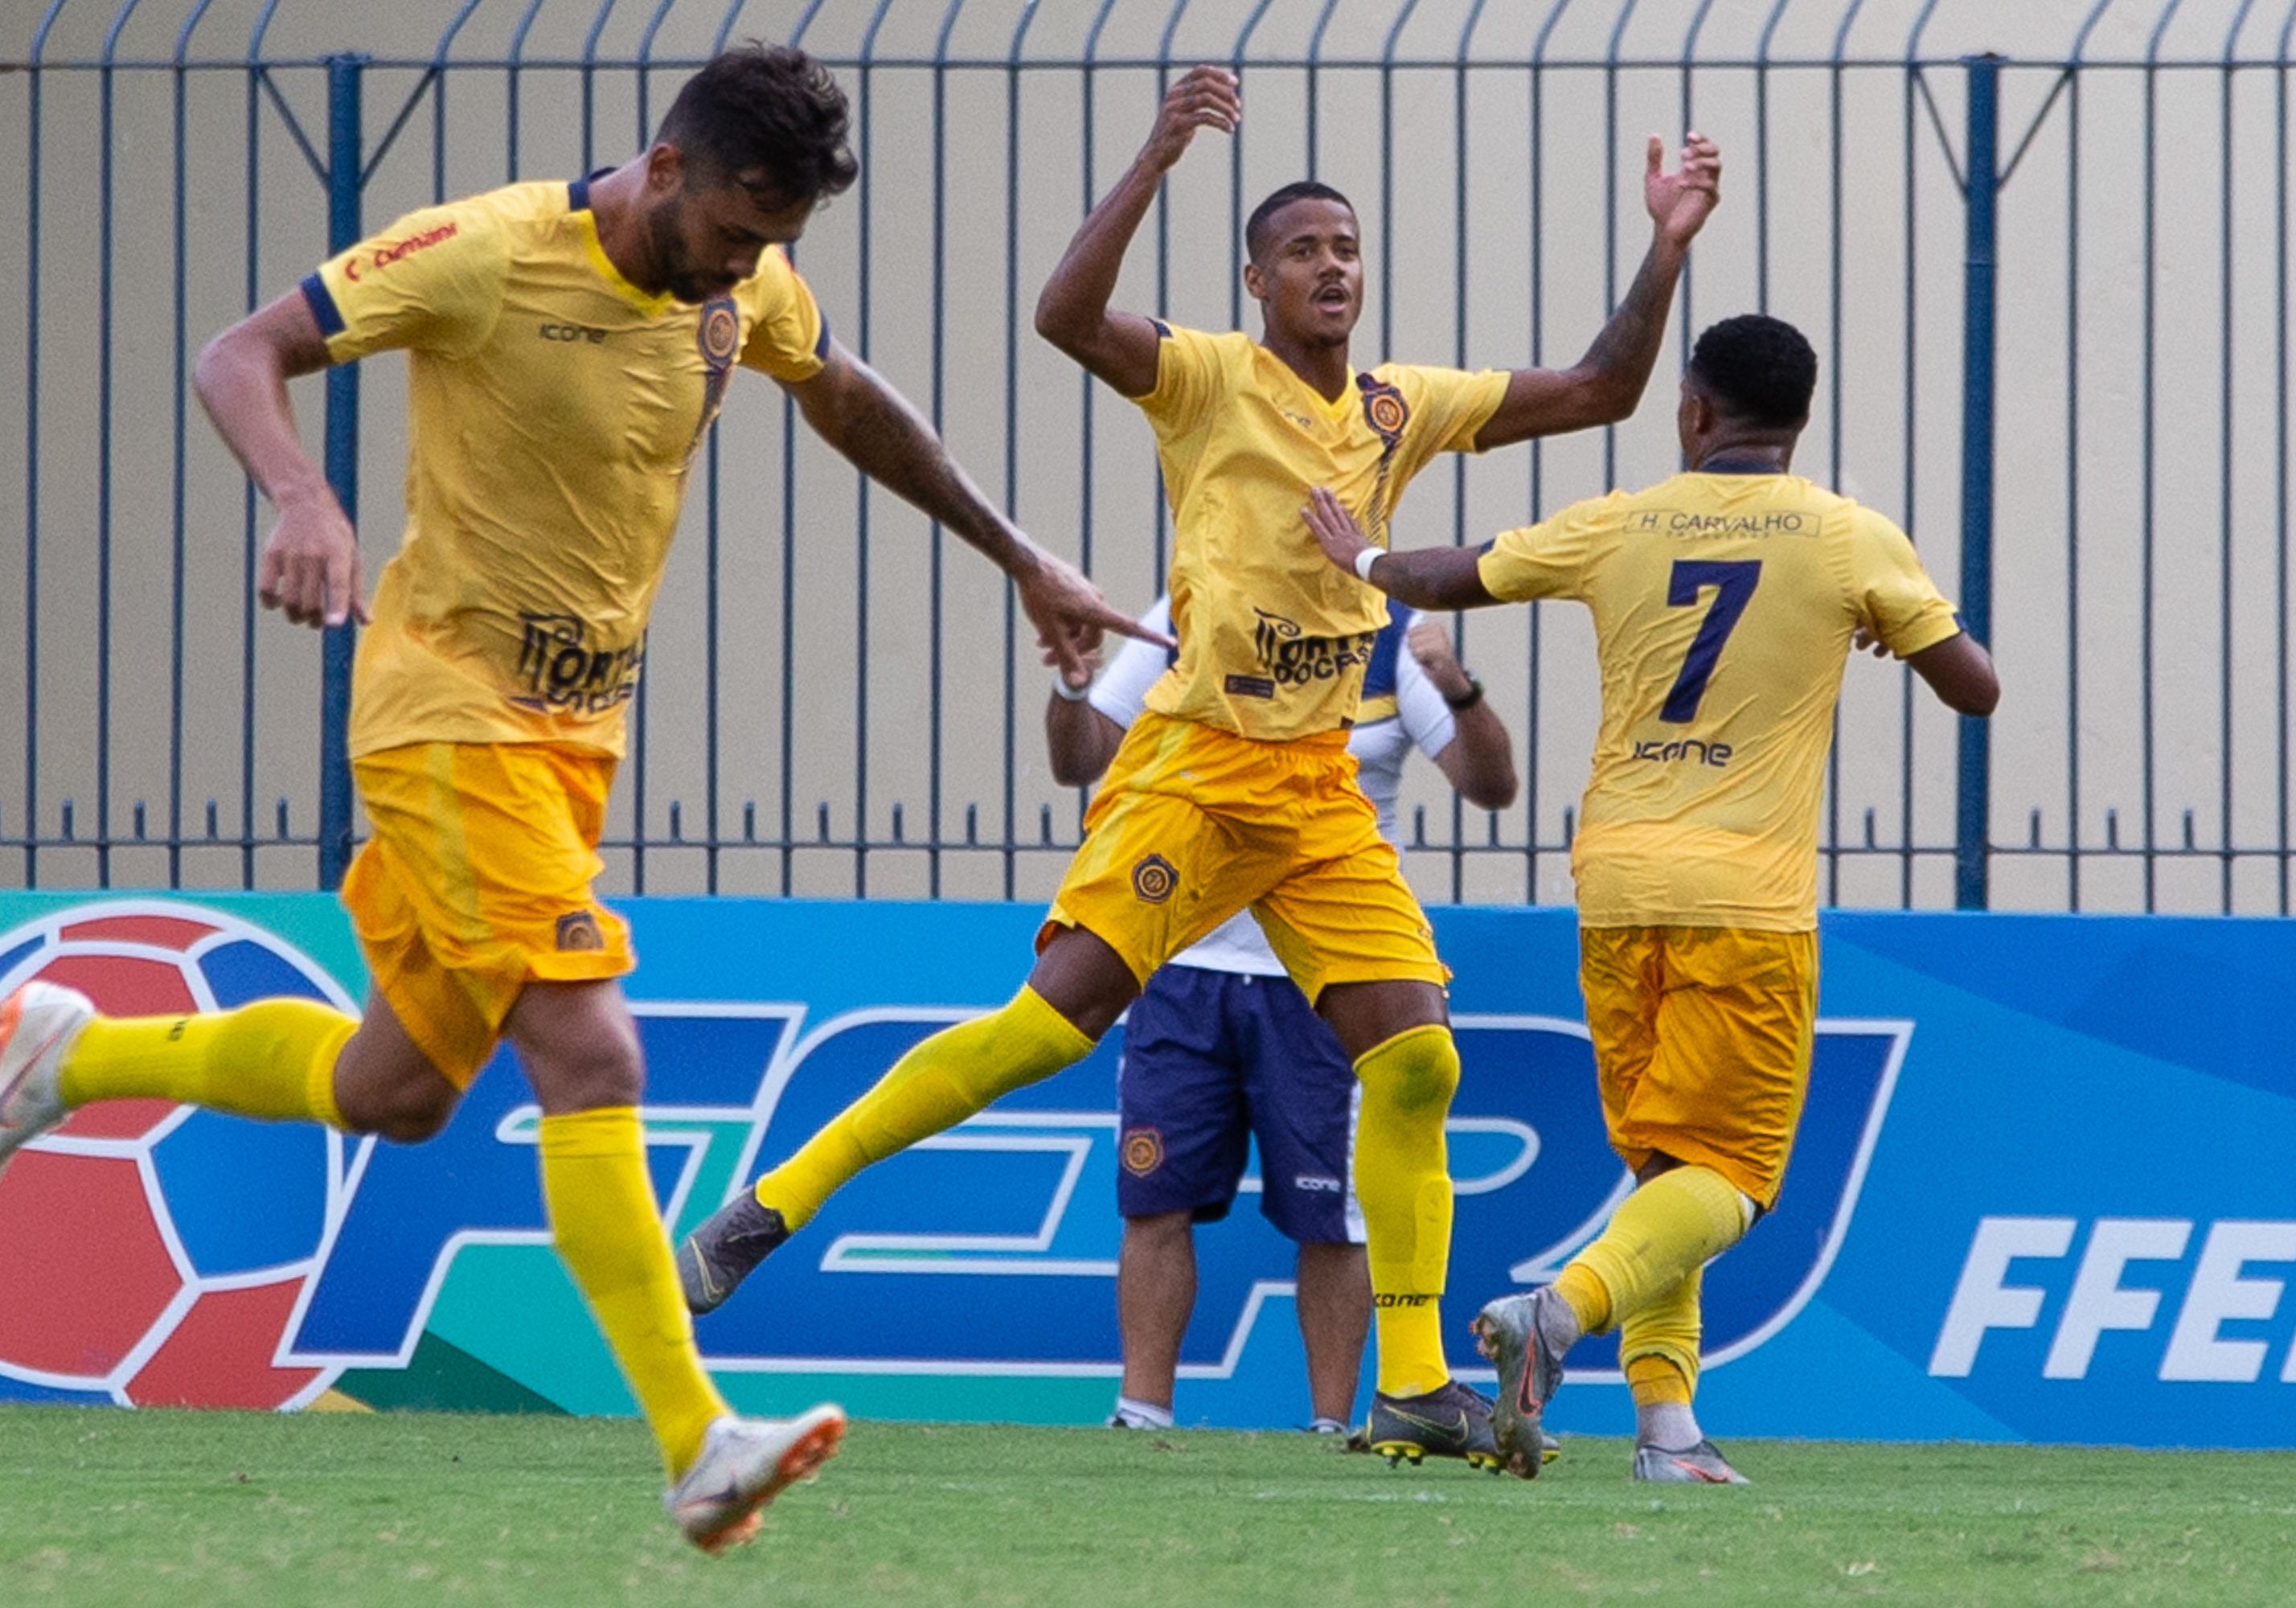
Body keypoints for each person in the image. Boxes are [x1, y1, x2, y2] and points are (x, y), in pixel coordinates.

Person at [0, 43, 1155, 1553]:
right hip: (447, 720)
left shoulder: (740, 284)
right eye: (731, 232)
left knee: (397, 1090)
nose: (746, 267)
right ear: (663, 169)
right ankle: (698, 1442)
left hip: (573, 745)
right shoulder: (486, 253)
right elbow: (236, 352)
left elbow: (838, 392)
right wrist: (300, 497)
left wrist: (1022, 555)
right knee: (593, 1049)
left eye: (773, 244)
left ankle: (76, 1055)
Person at [677, 64, 1720, 1471]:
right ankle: (771, 1208)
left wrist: (1664, 245)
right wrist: (1159, 151)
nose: (1331, 267)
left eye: (1346, 248)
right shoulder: (1207, 377)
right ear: (1257, 282)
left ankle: (1411, 1386)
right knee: (1046, 1028)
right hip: (1197, 764)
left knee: (1416, 1059)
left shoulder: (1403, 407)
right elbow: (1059, 317)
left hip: (1316, 795)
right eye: (1303, 251)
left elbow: (1603, 390)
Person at [1298, 311, 1999, 1483]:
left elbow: (1451, 576)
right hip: (1747, 898)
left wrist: (1358, 557)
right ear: (1803, 420)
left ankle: (1668, 1434)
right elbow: (1972, 689)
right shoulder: (1847, 538)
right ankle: (1560, 1313)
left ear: (1692, 409)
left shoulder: (1619, 523)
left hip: (1618, 884)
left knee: (1667, 1172)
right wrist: (1893, 624)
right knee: (1731, 1179)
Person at [1049, 597, 1515, 1438]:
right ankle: (1141, 1410)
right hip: (1182, 958)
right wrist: (1074, 684)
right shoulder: (1190, 609)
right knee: (1155, 1200)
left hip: (1322, 973)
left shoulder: (1386, 629)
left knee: (1332, 1217)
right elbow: (1079, 757)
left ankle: (1329, 1424)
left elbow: (1490, 785)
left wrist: (1458, 685)